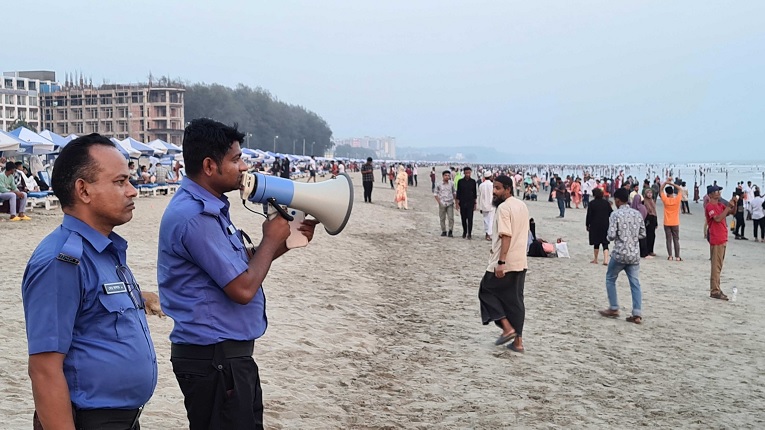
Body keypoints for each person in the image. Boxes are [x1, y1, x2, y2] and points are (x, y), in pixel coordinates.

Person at [158, 119, 319, 429]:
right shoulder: (195, 217)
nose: (244, 167)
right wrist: (271, 239)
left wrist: (284, 242)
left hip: (223, 359)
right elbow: (243, 290)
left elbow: (241, 268)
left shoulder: (208, 208)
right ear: (209, 165)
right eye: (235, 159)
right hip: (215, 360)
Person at [22, 134, 163, 430]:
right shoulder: (61, 261)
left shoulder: (104, 251)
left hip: (124, 419)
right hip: (89, 421)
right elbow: (45, 369)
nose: (133, 191)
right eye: (120, 182)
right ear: (83, 191)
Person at [478, 175, 530, 353]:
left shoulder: (504, 208)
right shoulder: (522, 205)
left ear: (508, 189)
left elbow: (506, 235)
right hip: (520, 261)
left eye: (498, 188)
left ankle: (507, 328)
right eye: (494, 187)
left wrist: (501, 262)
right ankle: (518, 342)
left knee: (486, 291)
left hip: (506, 261)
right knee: (515, 301)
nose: (494, 191)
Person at [598, 188, 646, 324]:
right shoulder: (637, 214)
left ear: (618, 200)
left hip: (620, 253)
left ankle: (614, 307)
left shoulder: (615, 214)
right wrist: (632, 236)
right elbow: (643, 234)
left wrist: (614, 236)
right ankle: (637, 313)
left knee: (610, 278)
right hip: (634, 254)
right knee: (635, 283)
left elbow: (611, 235)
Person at [705, 185, 737, 300]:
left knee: (719, 265)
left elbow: (732, 212)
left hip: (722, 237)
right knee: (716, 266)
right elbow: (717, 219)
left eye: (718, 191)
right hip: (716, 237)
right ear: (710, 194)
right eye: (716, 191)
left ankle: (716, 288)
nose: (718, 193)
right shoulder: (710, 206)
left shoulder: (720, 205)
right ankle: (715, 290)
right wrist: (728, 208)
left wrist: (734, 203)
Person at [586, 187, 612, 265]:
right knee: (605, 242)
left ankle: (596, 259)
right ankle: (606, 260)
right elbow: (611, 213)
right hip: (605, 224)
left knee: (596, 242)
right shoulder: (606, 203)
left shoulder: (592, 203)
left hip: (595, 225)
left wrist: (587, 224)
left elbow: (589, 215)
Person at [660, 180, 682, 261]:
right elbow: (680, 189)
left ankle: (670, 255)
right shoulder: (677, 199)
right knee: (676, 239)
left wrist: (665, 183)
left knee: (668, 239)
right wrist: (672, 183)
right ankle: (677, 256)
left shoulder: (665, 200)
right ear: (673, 192)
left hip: (667, 222)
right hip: (675, 222)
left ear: (667, 193)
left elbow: (660, 190)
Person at [455, 166, 477, 239]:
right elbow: (458, 193)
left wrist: (475, 203)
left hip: (470, 203)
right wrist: (457, 203)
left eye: (469, 173)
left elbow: (474, 193)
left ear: (470, 173)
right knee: (463, 218)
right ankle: (464, 231)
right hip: (462, 202)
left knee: (470, 219)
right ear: (464, 173)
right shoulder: (460, 181)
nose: (468, 174)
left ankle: (469, 233)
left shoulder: (473, 181)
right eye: (466, 173)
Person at [434, 170, 455, 237]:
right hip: (442, 203)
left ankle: (450, 231)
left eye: (448, 175)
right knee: (442, 218)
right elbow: (435, 194)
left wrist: (456, 201)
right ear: (443, 176)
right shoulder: (439, 184)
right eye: (445, 175)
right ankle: (444, 231)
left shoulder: (452, 183)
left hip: (450, 203)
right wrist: (439, 202)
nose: (447, 177)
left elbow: (454, 192)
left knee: (451, 218)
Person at [478, 170, 495, 241]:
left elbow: (480, 196)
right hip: (491, 205)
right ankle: (488, 234)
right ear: (490, 177)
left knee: (485, 220)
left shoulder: (481, 185)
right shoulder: (492, 185)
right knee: (490, 220)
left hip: (483, 205)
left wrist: (480, 206)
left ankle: (487, 233)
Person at [643, 188, 659, 256]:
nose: (650, 194)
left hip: (653, 219)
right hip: (648, 220)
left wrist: (656, 222)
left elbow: (654, 212)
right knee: (648, 236)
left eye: (651, 193)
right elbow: (645, 212)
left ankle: (651, 250)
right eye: (648, 193)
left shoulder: (652, 201)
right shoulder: (644, 201)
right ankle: (647, 250)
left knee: (653, 236)